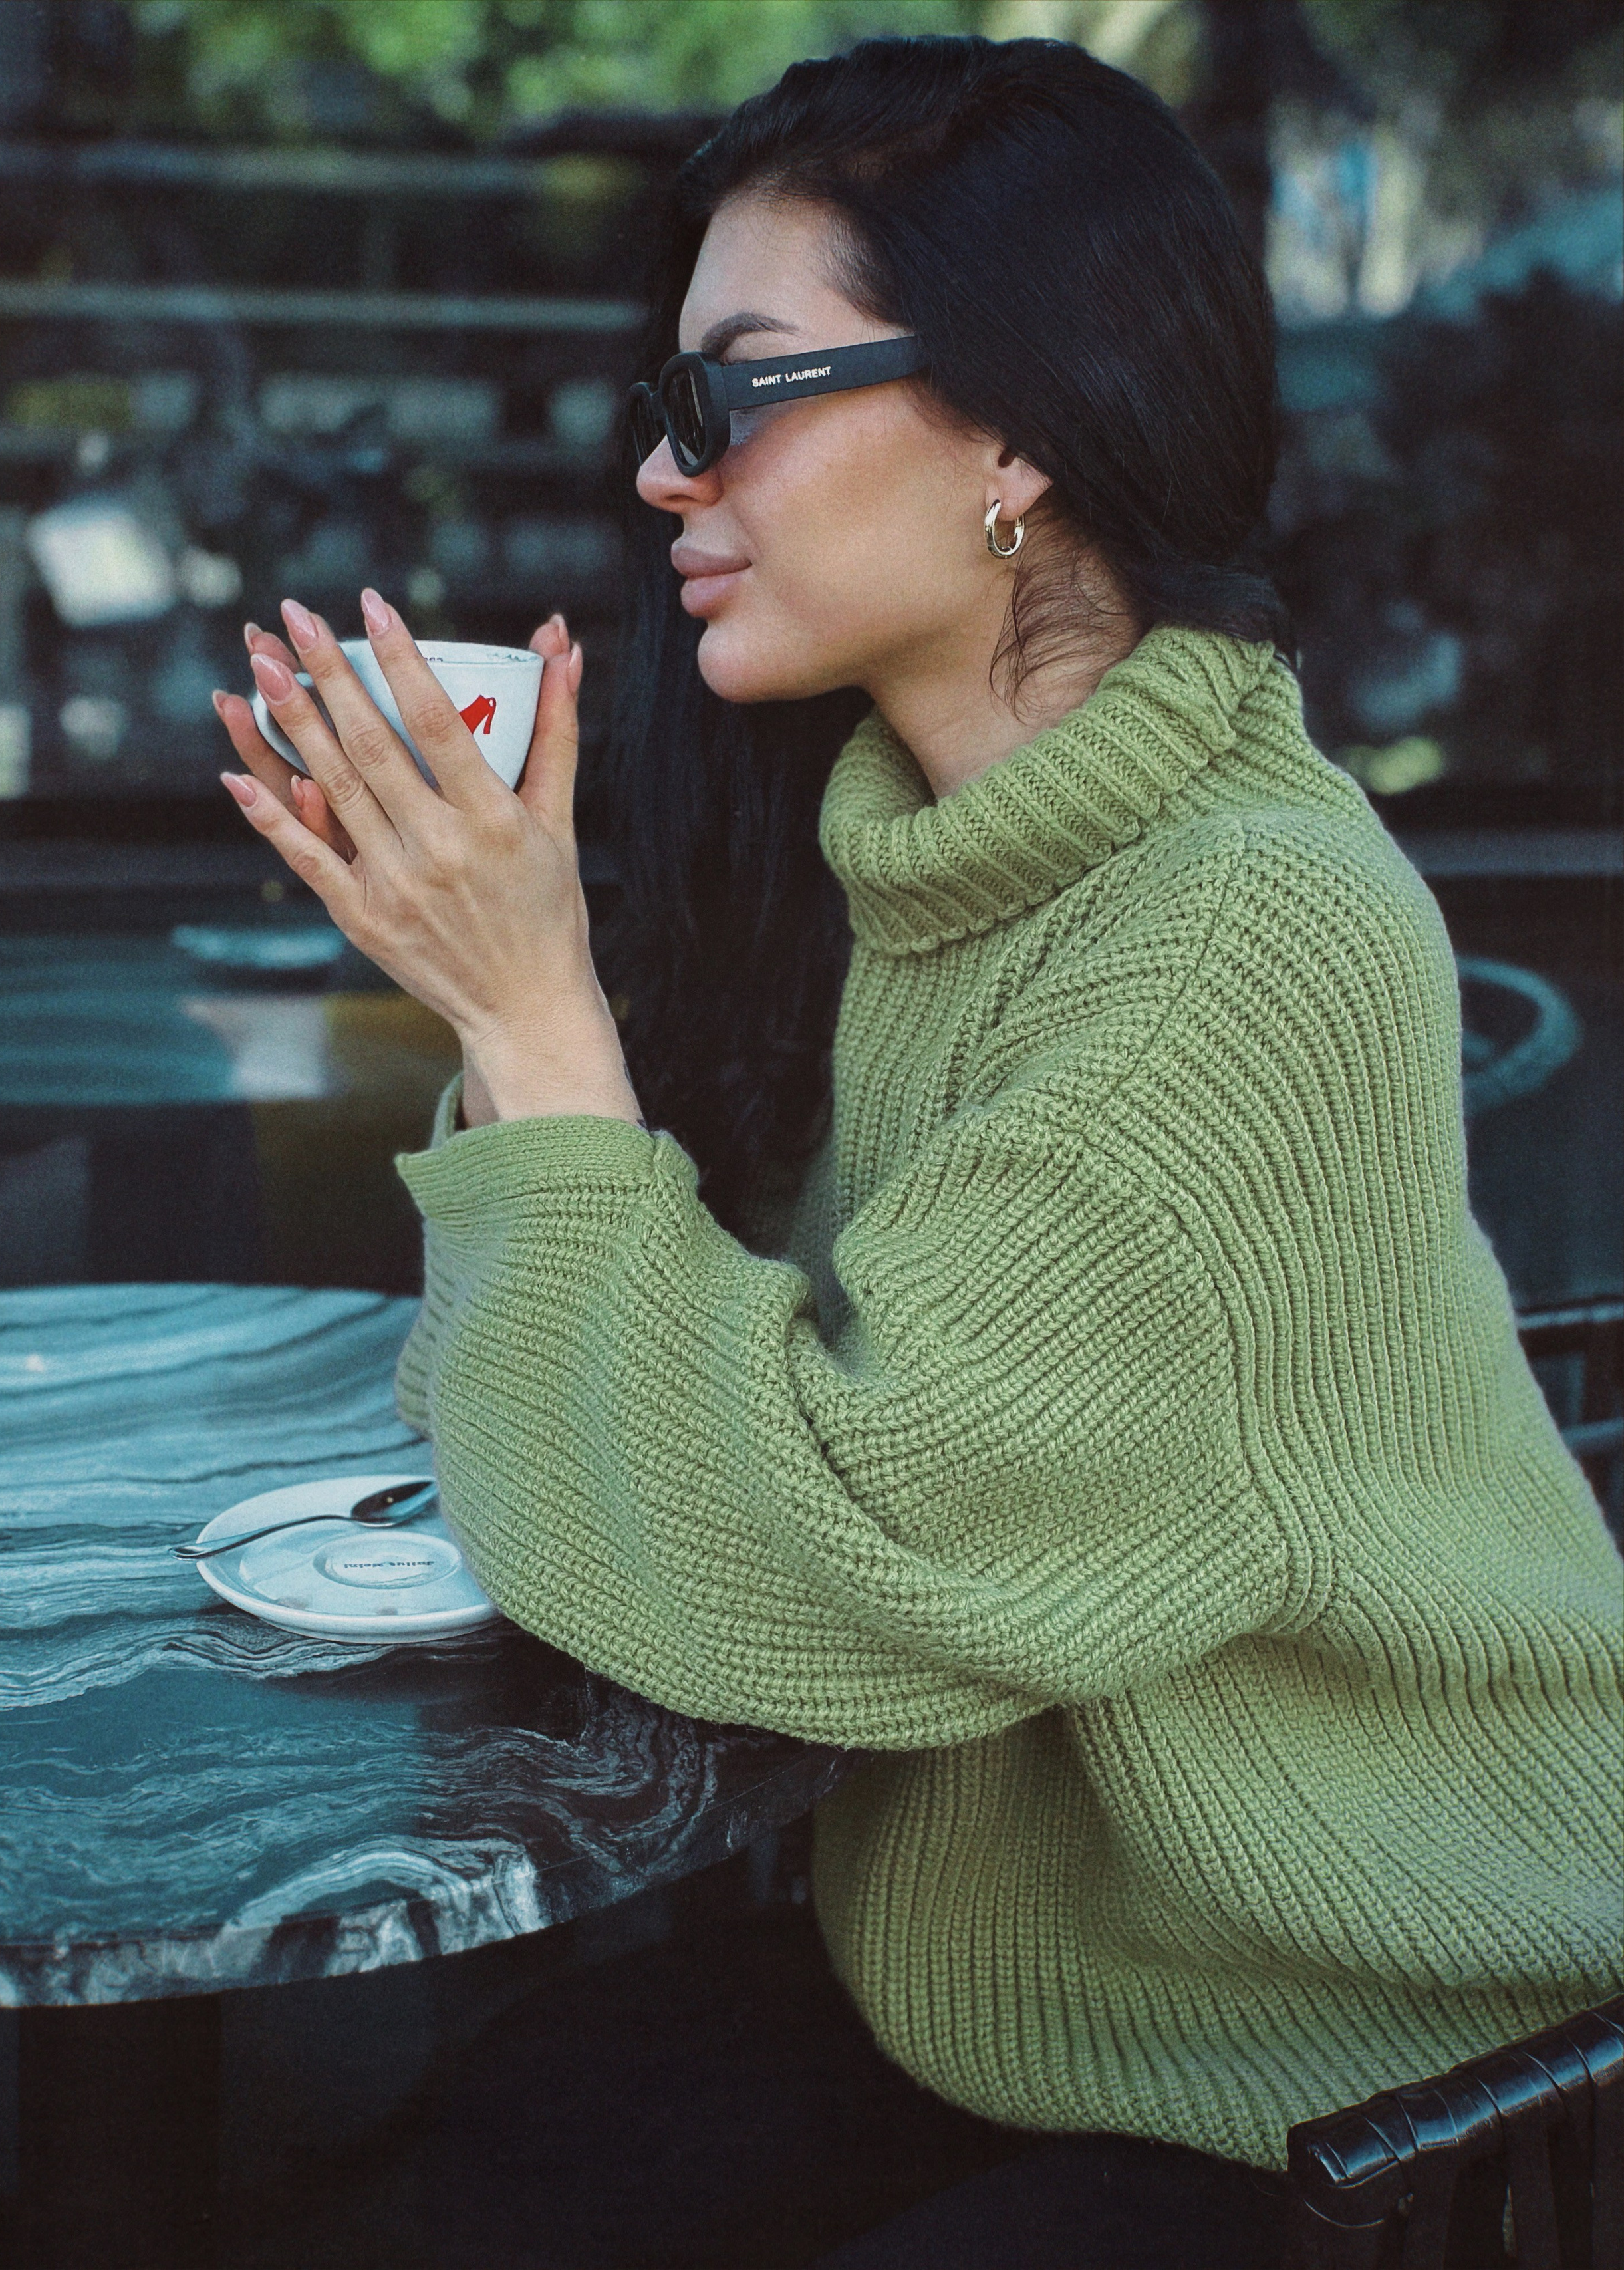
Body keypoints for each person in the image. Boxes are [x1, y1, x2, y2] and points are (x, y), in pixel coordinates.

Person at [211, 33, 1623, 2265]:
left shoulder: (1236, 931)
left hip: (1384, 2084)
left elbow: (820, 1570)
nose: (664, 478)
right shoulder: (944, 865)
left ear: (1021, 436)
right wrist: (525, 1015)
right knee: (406, 2186)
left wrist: (527, 1008)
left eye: (733, 394)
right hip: (1004, 1990)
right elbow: (619, 1420)